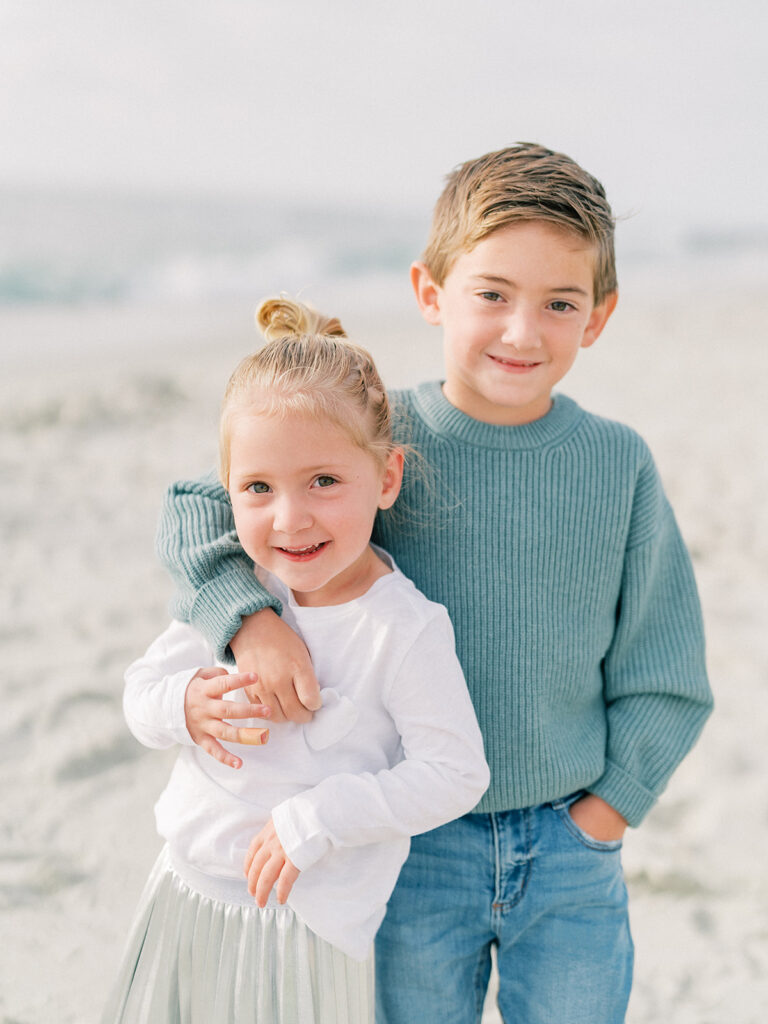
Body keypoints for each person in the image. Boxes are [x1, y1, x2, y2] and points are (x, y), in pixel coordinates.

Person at [155, 144, 714, 1023]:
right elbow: (198, 504)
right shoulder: (374, 438)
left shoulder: (617, 465)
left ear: (597, 318)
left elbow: (667, 669)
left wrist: (608, 811)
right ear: (430, 294)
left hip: (568, 842)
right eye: (492, 294)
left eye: (558, 303)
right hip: (406, 840)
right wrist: (248, 617)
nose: (522, 331)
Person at [103, 297, 490, 1024]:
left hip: (305, 925)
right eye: (258, 488)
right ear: (230, 493)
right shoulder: (239, 597)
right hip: (186, 892)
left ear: (386, 477)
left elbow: (457, 774)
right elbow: (140, 697)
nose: (290, 518)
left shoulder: (401, 628)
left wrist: (319, 817)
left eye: (324, 482)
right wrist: (183, 702)